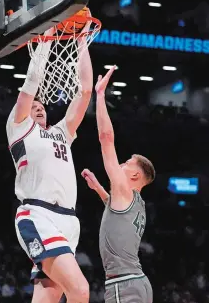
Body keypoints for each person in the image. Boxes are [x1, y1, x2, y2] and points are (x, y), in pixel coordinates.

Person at [6, 12, 93, 303]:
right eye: (34, 106)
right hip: (38, 214)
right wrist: (44, 39)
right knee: (80, 291)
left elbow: (84, 92)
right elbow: (30, 86)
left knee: (47, 297)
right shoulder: (18, 128)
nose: (39, 107)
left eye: (42, 106)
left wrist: (81, 41)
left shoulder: (62, 132)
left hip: (68, 220)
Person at [81, 66, 155, 303]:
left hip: (123, 284)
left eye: (126, 163)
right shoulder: (137, 202)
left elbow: (106, 138)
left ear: (134, 177)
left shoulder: (125, 190)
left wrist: (100, 96)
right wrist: (99, 189)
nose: (121, 165)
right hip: (138, 283)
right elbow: (115, 211)